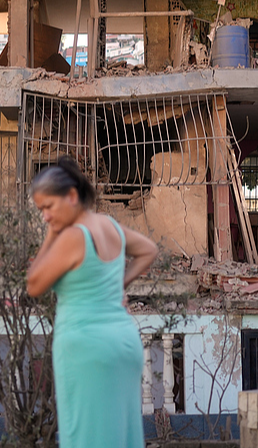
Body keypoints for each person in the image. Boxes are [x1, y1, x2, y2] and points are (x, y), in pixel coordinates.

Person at [26, 156, 159, 448]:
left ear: (71, 197)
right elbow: (149, 249)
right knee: (120, 438)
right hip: (123, 342)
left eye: (48, 207)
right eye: (41, 211)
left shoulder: (73, 236)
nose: (46, 216)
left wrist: (50, 235)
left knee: (88, 438)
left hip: (88, 349)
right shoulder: (108, 225)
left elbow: (34, 284)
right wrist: (117, 284)